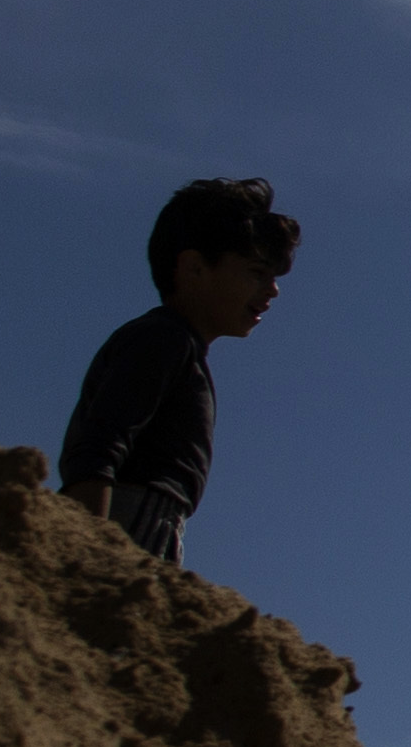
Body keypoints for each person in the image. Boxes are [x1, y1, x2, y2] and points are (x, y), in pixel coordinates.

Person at [56, 175, 300, 568]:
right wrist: (89, 553)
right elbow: (98, 447)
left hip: (153, 524)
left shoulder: (180, 348)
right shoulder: (163, 340)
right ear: (194, 268)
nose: (272, 291)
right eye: (257, 272)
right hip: (129, 525)